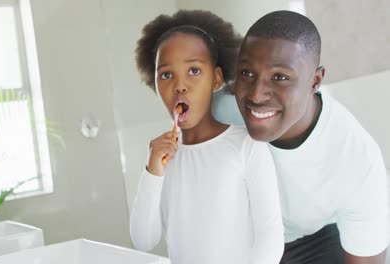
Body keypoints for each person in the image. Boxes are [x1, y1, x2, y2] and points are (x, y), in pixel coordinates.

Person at [213, 10, 388, 263]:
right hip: (244, 240)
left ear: (314, 81)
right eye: (247, 73)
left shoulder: (357, 159)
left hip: (313, 242)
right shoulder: (220, 110)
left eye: (280, 77)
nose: (257, 95)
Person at [130, 10, 284, 264]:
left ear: (216, 79)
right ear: (155, 83)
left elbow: (270, 234)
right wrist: (152, 173)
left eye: (193, 70)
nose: (180, 85)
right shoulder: (162, 158)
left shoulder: (246, 145)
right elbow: (143, 241)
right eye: (166, 75)